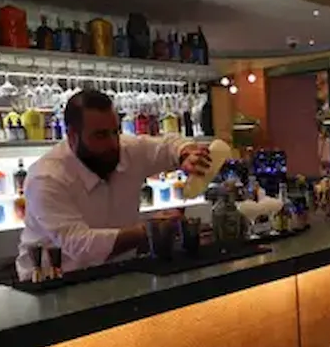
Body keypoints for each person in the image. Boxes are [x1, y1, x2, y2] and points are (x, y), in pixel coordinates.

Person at [16, 90, 210, 279]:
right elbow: (79, 245)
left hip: (119, 273)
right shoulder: (46, 177)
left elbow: (170, 145)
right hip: (53, 283)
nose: (112, 144)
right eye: (100, 135)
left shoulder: (127, 150)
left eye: (115, 131)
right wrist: (149, 230)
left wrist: (186, 153)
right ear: (73, 136)